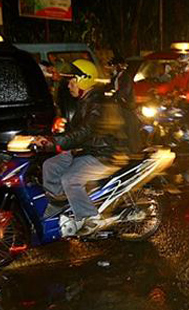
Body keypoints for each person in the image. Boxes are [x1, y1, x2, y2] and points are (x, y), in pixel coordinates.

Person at [41, 59, 124, 236]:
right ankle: (60, 202)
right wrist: (53, 136)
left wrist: (55, 142)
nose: (68, 86)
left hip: (101, 153)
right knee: (50, 166)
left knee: (70, 179)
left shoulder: (98, 103)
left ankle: (91, 218)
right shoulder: (85, 100)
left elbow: (84, 132)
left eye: (71, 81)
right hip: (85, 150)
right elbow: (78, 130)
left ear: (82, 81)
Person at [156, 54, 189, 147]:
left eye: (182, 64)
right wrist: (157, 90)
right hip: (185, 102)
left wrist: (186, 95)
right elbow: (170, 86)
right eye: (179, 64)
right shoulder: (181, 76)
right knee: (170, 114)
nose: (179, 66)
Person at [107, 55, 142, 153]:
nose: (112, 68)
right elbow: (110, 87)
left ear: (118, 66)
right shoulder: (115, 78)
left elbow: (124, 91)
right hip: (119, 105)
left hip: (127, 106)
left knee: (131, 127)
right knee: (121, 127)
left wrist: (114, 96)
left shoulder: (126, 77)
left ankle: (135, 149)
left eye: (113, 66)